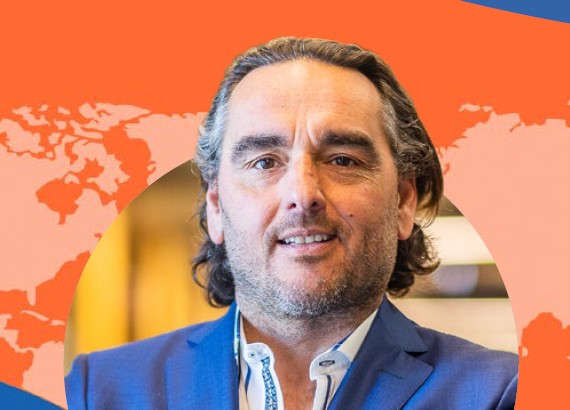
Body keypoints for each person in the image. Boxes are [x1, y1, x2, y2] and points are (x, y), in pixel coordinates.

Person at [65, 37, 518, 410]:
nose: (303, 194)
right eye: (265, 162)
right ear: (216, 207)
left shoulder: (499, 393)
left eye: (343, 160)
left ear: (402, 201)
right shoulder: (97, 392)